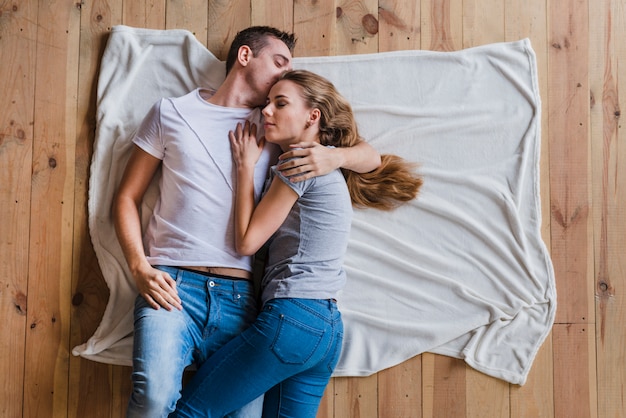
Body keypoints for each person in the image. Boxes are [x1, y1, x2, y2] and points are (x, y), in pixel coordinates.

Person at [113, 27, 381, 418]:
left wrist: (333, 157)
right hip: (171, 282)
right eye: (278, 62)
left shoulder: (277, 127)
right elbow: (126, 197)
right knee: (154, 399)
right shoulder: (171, 112)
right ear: (244, 56)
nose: (284, 72)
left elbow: (371, 156)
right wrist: (138, 267)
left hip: (240, 297)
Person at [172, 70, 423, 417]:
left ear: (313, 116)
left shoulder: (298, 164)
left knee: (192, 412)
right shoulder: (324, 162)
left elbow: (246, 242)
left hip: (292, 318)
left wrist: (244, 168)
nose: (266, 112)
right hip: (327, 331)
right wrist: (336, 156)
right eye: (266, 104)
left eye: (280, 103)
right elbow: (370, 158)